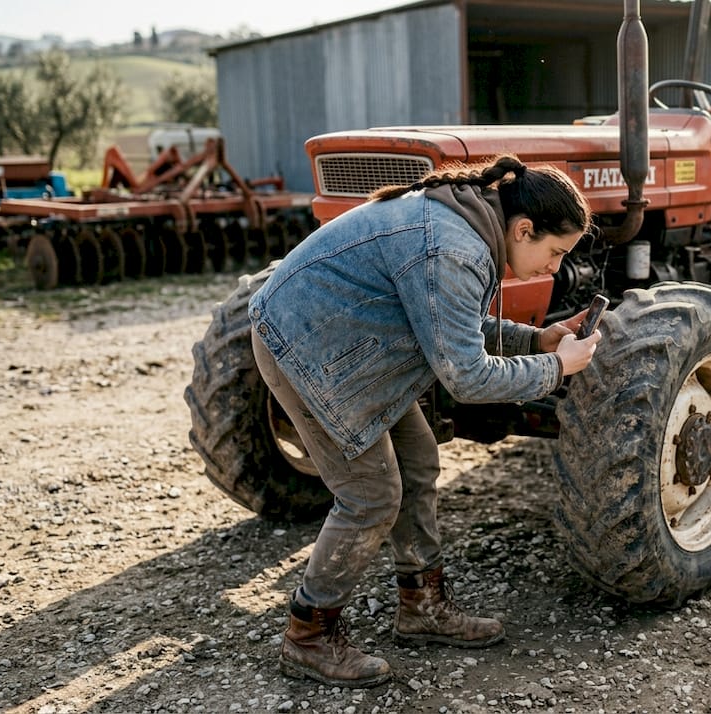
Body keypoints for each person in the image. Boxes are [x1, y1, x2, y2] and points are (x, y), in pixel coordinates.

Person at [248, 154, 601, 689]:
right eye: (554, 253)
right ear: (523, 228)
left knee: (418, 461)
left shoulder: (468, 225)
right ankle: (308, 634)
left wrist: (537, 339)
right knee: (371, 494)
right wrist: (556, 367)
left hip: (347, 337)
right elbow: (468, 379)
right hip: (304, 343)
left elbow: (449, 320)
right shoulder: (454, 246)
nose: (554, 268)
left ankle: (422, 606)